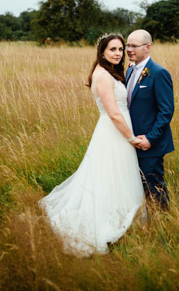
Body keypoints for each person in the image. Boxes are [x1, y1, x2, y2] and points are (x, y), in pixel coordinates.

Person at [39, 33, 145, 257]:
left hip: (115, 130)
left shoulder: (106, 71)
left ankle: (120, 213)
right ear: (102, 51)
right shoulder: (104, 76)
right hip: (115, 132)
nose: (117, 54)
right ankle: (108, 219)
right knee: (110, 175)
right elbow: (114, 114)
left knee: (112, 175)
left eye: (120, 49)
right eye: (112, 50)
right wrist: (131, 138)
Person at [125, 29, 174, 210]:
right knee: (137, 188)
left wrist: (150, 139)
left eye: (134, 46)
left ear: (147, 47)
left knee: (155, 189)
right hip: (132, 141)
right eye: (128, 45)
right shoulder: (130, 71)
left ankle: (164, 225)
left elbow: (166, 111)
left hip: (150, 145)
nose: (129, 49)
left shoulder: (159, 73)